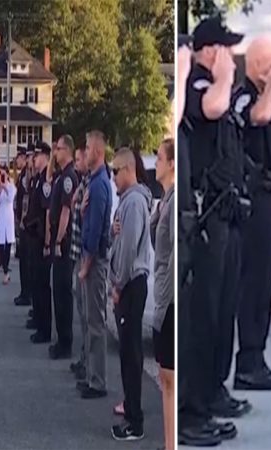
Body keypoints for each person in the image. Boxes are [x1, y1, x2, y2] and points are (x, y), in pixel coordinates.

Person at [178, 16, 243, 446]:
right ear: (209, 50)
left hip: (221, 216)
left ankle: (205, 398)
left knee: (218, 316)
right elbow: (213, 108)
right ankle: (191, 412)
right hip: (200, 222)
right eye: (226, 48)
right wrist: (226, 75)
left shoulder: (207, 80)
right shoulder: (199, 84)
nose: (232, 56)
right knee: (199, 320)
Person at [231, 36, 271, 395]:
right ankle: (247, 362)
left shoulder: (268, 98)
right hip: (252, 200)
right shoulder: (244, 95)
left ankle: (258, 356)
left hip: (270, 197)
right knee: (252, 282)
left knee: (266, 280)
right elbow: (259, 117)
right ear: (255, 67)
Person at [109, 148, 152, 441]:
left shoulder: (134, 202)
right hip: (129, 283)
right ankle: (131, 411)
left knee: (132, 355)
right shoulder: (127, 202)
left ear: (127, 169)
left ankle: (135, 421)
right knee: (127, 353)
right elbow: (121, 238)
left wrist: (118, 284)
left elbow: (128, 248)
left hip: (132, 284)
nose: (113, 177)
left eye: (115, 171)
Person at [77, 130, 112, 400]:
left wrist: (87, 265)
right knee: (89, 321)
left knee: (96, 324)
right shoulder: (93, 181)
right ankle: (90, 375)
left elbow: (96, 229)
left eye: (88, 148)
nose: (85, 152)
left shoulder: (100, 184)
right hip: (90, 258)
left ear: (98, 152)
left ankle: (98, 381)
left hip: (95, 260)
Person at [152, 138, 176, 450]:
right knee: (164, 377)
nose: (155, 163)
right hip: (162, 296)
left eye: (159, 158)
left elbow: (171, 258)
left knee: (168, 376)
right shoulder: (164, 200)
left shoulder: (172, 201)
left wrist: (164, 302)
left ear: (172, 163)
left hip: (169, 301)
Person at [45, 135, 78, 360]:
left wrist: (57, 240)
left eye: (58, 149)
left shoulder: (69, 177)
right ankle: (61, 339)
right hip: (58, 240)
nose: (55, 153)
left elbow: (66, 211)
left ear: (67, 150)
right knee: (57, 291)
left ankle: (65, 342)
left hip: (64, 244)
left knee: (63, 292)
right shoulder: (59, 176)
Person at [26, 142, 52, 344]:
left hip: (41, 236)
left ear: (45, 156)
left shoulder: (46, 181)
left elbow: (47, 212)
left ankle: (44, 328)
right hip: (33, 235)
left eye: (37, 156)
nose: (34, 159)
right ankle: (38, 319)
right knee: (35, 281)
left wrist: (47, 241)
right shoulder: (37, 179)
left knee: (42, 285)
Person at [68, 146, 89, 381]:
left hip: (87, 257)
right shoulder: (82, 183)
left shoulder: (94, 184)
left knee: (90, 318)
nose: (76, 163)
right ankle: (85, 359)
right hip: (78, 253)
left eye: (78, 158)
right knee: (83, 315)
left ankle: (91, 366)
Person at [14, 145, 33, 306]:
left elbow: (26, 200)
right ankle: (24, 291)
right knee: (23, 261)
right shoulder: (22, 175)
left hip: (26, 223)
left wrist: (22, 220)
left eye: (20, 157)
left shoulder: (28, 176)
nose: (17, 160)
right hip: (21, 222)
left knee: (27, 262)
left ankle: (27, 293)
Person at [0, 166, 16, 285]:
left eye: (4, 175)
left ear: (7, 175)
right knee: (0, 244)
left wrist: (5, 188)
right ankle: (5, 270)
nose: (2, 177)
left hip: (9, 218)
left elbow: (10, 198)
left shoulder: (12, 187)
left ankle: (6, 272)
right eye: (0, 175)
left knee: (8, 245)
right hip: (1, 217)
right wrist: (0, 188)